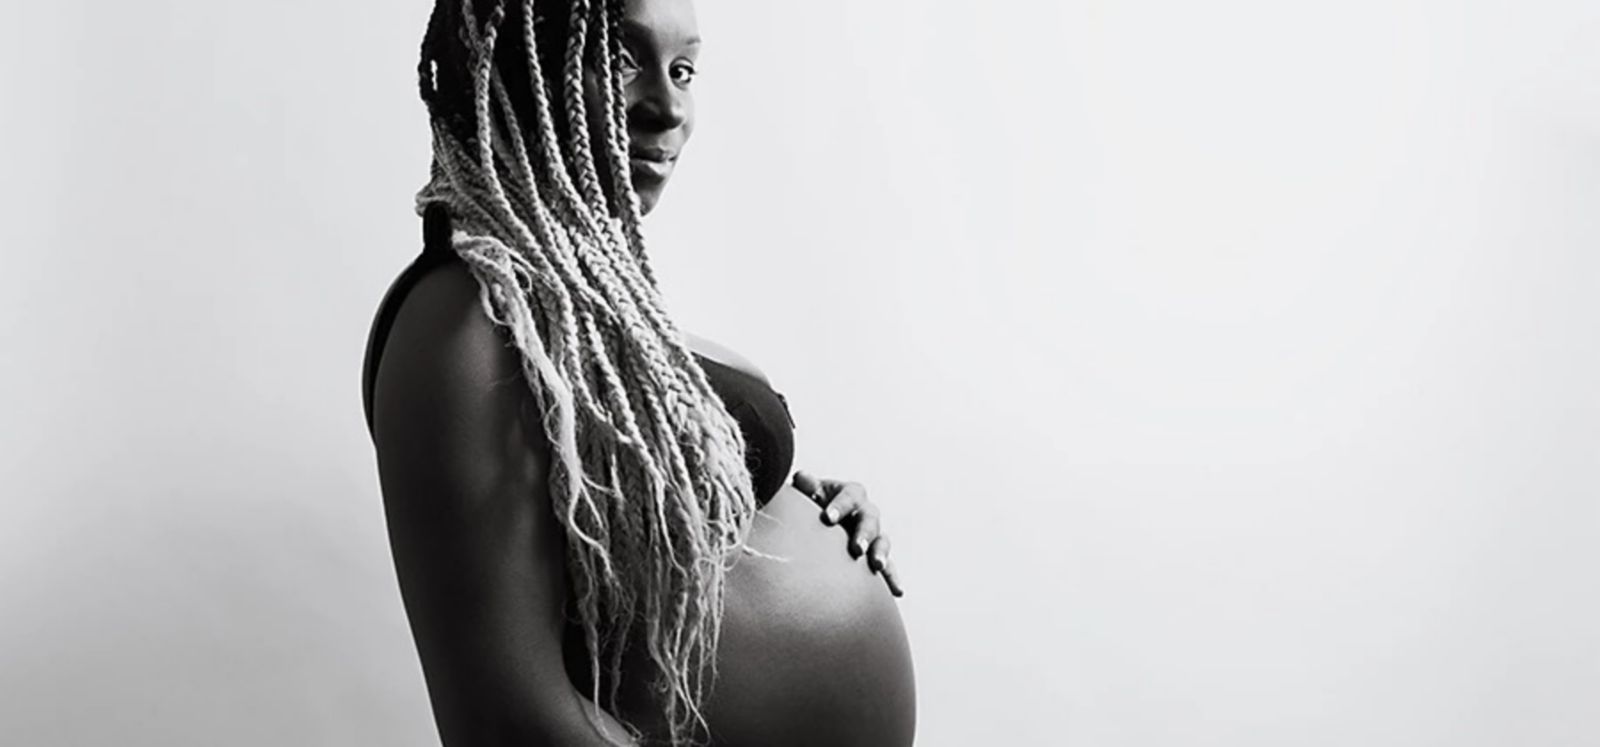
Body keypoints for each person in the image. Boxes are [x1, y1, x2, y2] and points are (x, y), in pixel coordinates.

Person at [360, 0, 916, 744]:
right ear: (509, 72)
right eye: (620, 59)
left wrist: (798, 501)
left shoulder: (597, 319)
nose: (669, 104)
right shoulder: (462, 321)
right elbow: (505, 717)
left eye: (684, 68)